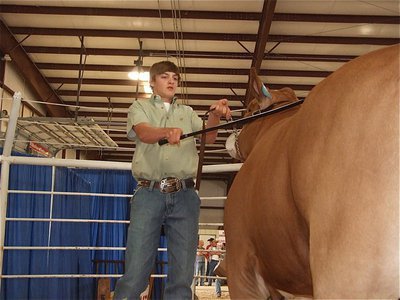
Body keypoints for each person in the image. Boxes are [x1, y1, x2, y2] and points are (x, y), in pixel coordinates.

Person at [113, 60, 231, 300]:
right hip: (149, 194)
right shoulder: (139, 106)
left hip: (186, 196)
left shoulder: (186, 112)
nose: (171, 82)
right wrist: (166, 132)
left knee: (183, 272)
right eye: (165, 77)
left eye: (175, 78)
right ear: (152, 82)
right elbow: (144, 133)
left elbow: (208, 137)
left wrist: (215, 115)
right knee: (136, 268)